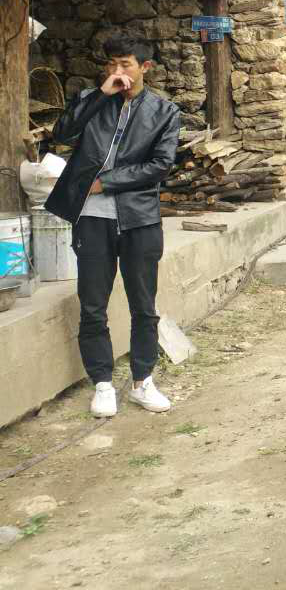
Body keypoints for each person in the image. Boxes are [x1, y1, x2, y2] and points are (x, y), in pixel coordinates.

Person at [46, 34, 181, 418]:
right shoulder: (93, 100)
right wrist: (99, 96)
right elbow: (62, 134)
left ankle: (142, 382)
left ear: (144, 67)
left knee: (144, 306)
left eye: (125, 64)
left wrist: (105, 183)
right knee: (92, 306)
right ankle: (103, 384)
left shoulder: (164, 112)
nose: (117, 71)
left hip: (139, 219)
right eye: (111, 64)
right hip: (92, 219)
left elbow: (160, 165)